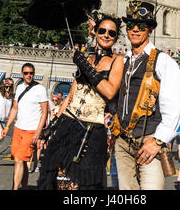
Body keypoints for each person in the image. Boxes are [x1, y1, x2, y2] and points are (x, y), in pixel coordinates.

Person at [37, 12, 124, 190]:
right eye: (102, 30)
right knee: (55, 178)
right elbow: (69, 97)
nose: (106, 35)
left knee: (86, 183)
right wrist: (51, 127)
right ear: (96, 32)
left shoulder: (118, 60)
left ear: (116, 38)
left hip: (93, 130)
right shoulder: (87, 58)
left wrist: (83, 65)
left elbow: (109, 92)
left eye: (112, 33)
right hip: (67, 125)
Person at [110, 0, 180, 190]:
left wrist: (159, 140)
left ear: (150, 29)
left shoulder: (163, 60)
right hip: (122, 144)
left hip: (149, 142)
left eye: (141, 25)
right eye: (130, 25)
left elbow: (177, 104)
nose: (135, 29)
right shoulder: (122, 60)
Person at [2, 63, 49, 190]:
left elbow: (45, 113)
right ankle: (24, 188)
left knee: (18, 159)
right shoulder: (19, 88)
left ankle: (15, 189)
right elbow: (14, 109)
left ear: (34, 73)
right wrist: (7, 127)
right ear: (22, 74)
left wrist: (37, 133)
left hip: (31, 130)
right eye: (26, 73)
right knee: (20, 160)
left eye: (31, 73)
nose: (29, 75)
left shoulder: (40, 89)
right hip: (18, 129)